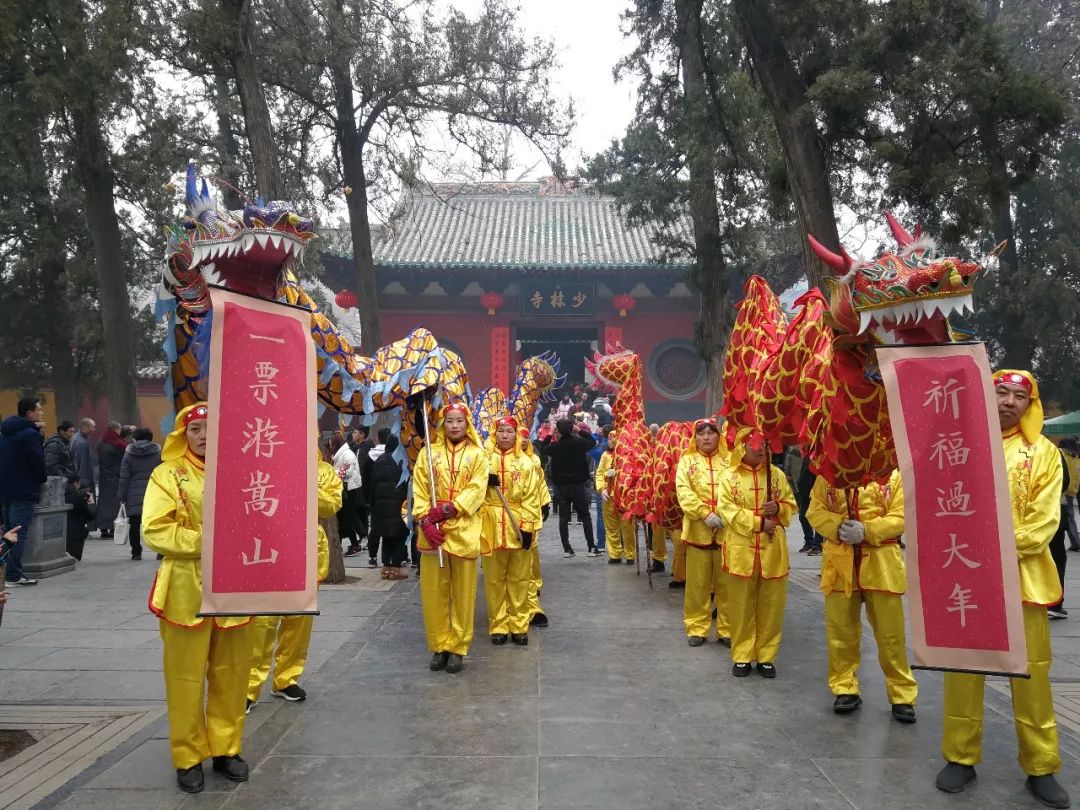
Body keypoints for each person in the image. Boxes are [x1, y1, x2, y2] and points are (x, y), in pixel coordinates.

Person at [936, 369, 1069, 809]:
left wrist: (993, 549)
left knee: (1031, 674)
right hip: (963, 575)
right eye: (1001, 392)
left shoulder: (1044, 453)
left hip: (1022, 578)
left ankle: (1041, 765)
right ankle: (960, 755)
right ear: (984, 396)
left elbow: (1045, 521)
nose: (1009, 401)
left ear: (1029, 404)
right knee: (963, 668)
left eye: (1019, 396)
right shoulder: (953, 447)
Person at [142, 403, 251, 794]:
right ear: (182, 435)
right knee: (185, 678)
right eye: (196, 429)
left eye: (211, 428)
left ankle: (227, 748)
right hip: (185, 588)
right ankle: (187, 755)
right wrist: (209, 542)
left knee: (232, 673)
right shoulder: (166, 475)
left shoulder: (243, 473)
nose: (204, 436)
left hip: (236, 586)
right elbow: (154, 530)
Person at [806, 470, 918, 721]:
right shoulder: (828, 474)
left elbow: (904, 514)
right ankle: (845, 688)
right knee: (840, 631)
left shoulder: (893, 474)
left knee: (891, 635)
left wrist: (867, 530)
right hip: (839, 560)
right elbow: (814, 509)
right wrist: (837, 527)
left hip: (882, 562)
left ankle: (902, 694)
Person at [247, 443, 341, 711]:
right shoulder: (266, 467)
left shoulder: (324, 472)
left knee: (299, 622)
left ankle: (286, 678)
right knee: (262, 622)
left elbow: (331, 505)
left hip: (307, 553)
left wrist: (303, 481)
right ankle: (249, 686)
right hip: (268, 551)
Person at [412, 402, 488, 674]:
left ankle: (457, 647)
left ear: (467, 424)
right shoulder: (428, 454)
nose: (455, 425)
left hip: (465, 528)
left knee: (464, 594)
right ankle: (438, 645)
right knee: (434, 593)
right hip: (433, 533)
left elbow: (478, 488)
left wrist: (447, 509)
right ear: (442, 424)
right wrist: (424, 519)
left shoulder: (478, 455)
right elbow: (420, 488)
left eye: (459, 421)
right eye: (450, 420)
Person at [717, 432, 796, 678]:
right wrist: (758, 522)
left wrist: (779, 508)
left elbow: (792, 505)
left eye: (764, 444)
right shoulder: (728, 477)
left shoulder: (777, 475)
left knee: (772, 606)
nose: (761, 449)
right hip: (741, 550)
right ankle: (742, 655)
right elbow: (726, 510)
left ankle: (766, 656)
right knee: (740, 607)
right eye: (755, 445)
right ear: (742, 447)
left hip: (773, 551)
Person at [481, 416, 542, 646]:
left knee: (519, 578)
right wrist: (484, 481)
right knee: (494, 579)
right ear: (494, 434)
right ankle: (498, 624)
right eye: (501, 431)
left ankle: (519, 624)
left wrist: (528, 527)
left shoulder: (525, 463)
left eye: (510, 431)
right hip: (491, 523)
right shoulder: (484, 460)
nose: (505, 435)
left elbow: (532, 497)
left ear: (517, 435)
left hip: (519, 522)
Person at [675, 418, 731, 647]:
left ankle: (726, 629)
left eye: (711, 432)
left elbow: (735, 492)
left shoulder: (730, 461)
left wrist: (724, 514)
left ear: (719, 435)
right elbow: (683, 492)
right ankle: (697, 627)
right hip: (698, 533)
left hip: (727, 533)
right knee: (697, 586)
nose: (706, 437)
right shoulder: (686, 461)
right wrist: (705, 514)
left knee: (727, 585)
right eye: (701, 433)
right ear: (694, 437)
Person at [0, 397, 46, 586]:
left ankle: (8, 572)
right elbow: (37, 461)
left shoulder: (7, 432)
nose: (41, 413)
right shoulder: (28, 434)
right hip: (24, 490)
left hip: (6, 490)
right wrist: (41, 478)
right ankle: (13, 575)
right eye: (39, 410)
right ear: (29, 413)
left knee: (9, 533)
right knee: (19, 533)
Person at [543, 419, 599, 558]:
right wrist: (579, 430)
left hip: (561, 487)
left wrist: (550, 433)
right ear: (572, 428)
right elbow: (592, 440)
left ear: (558, 430)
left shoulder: (555, 447)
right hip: (578, 485)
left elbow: (544, 447)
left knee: (563, 518)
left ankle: (567, 549)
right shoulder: (580, 443)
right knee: (585, 516)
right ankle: (591, 547)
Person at [519, 426, 551, 628]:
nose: (521, 440)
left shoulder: (534, 461)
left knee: (530, 554)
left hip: (530, 515)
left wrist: (544, 503)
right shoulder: (495, 460)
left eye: (524, 437)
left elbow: (540, 485)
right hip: (503, 518)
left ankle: (532, 602)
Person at [368, 433, 409, 579]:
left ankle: (386, 568)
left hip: (381, 508)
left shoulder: (379, 460)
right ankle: (396, 569)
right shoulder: (402, 461)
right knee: (399, 537)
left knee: (386, 537)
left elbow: (372, 486)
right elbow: (406, 486)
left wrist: (372, 505)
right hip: (398, 507)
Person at [117, 427, 162, 561]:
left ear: (135, 438)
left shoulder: (128, 454)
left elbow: (124, 477)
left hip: (133, 493)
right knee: (157, 524)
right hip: (154, 492)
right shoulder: (158, 453)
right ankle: (160, 551)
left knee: (135, 524)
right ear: (151, 437)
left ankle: (136, 552)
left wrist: (121, 496)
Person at [596, 429, 635, 564]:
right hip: (608, 496)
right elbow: (600, 473)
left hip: (624, 496)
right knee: (611, 526)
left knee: (627, 527)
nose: (610, 441)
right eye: (609, 438)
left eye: (612, 438)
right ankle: (615, 554)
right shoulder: (605, 456)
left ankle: (630, 554)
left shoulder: (628, 457)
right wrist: (601, 489)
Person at [329, 433, 364, 557]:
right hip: (345, 490)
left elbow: (347, 472)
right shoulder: (339, 455)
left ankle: (355, 545)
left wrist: (332, 473)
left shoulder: (347, 455)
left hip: (349, 491)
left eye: (331, 444)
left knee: (346, 519)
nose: (330, 446)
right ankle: (350, 544)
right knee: (344, 518)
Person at [1048, 450, 1071, 620]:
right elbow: (1065, 481)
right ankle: (1054, 604)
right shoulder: (1052, 451)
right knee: (1057, 558)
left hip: (1021, 516)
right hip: (1051, 514)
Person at [96, 421, 126, 538]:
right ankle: (113, 528)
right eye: (119, 431)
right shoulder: (118, 445)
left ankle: (103, 528)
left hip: (104, 477)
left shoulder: (101, 442)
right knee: (114, 504)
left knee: (103, 502)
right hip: (115, 477)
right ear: (115, 430)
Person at [70, 417, 97, 494]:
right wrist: (85, 484)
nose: (94, 429)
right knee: (88, 504)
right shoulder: (82, 443)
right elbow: (83, 465)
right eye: (92, 427)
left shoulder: (75, 437)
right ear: (84, 427)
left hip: (77, 478)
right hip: (84, 482)